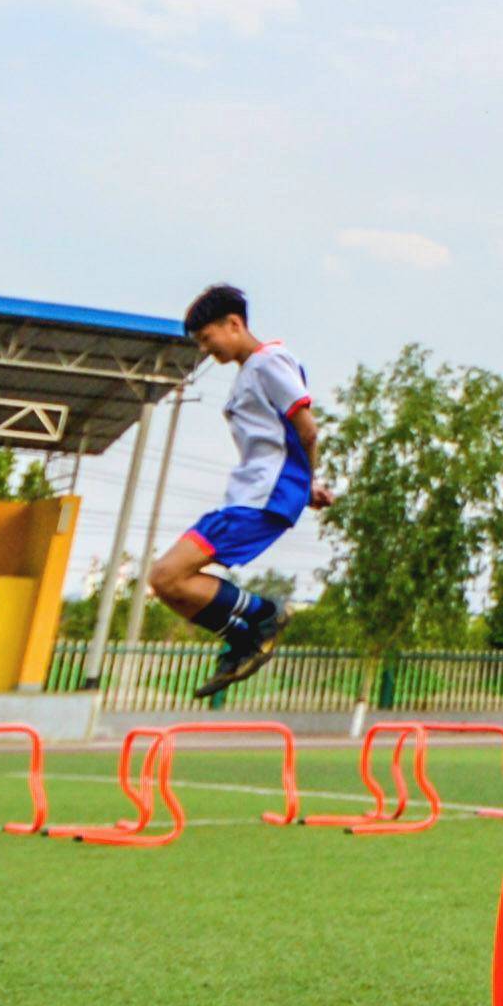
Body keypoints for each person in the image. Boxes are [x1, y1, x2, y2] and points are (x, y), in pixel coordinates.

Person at [147, 285, 331, 700]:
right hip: (250, 496)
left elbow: (308, 428)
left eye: (206, 338)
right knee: (165, 581)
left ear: (233, 323)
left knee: (167, 576)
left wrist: (303, 483)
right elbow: (280, 442)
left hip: (261, 498)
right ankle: (246, 635)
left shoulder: (269, 361)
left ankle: (265, 615)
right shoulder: (250, 373)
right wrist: (308, 487)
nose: (205, 349)